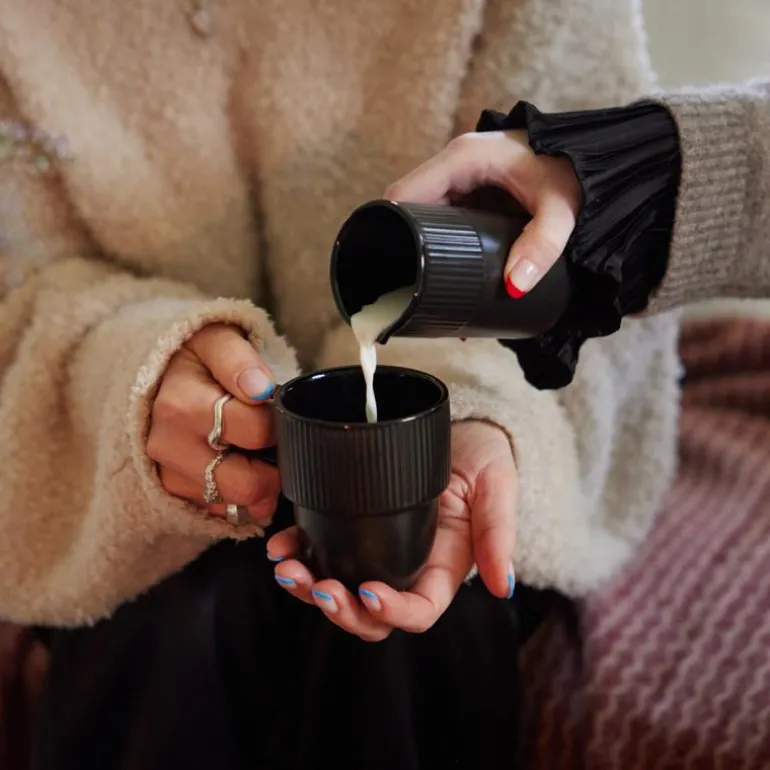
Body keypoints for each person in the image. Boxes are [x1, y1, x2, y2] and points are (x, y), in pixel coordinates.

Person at [0, 0, 765, 767]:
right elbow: (16, 284)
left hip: (470, 423)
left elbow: (591, 269)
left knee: (414, 608)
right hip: (134, 491)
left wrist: (477, 409)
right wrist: (131, 377)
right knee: (161, 621)